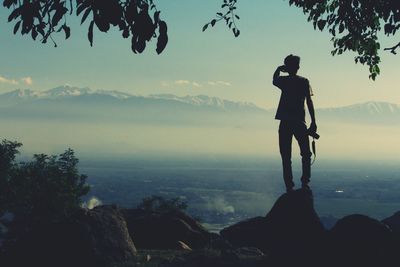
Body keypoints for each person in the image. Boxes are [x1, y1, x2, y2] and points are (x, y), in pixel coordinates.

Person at [272, 54, 317, 192]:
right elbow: (309, 102)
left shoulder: (284, 81)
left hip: (285, 122)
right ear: (297, 66)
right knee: (306, 153)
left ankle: (289, 186)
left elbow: (274, 80)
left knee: (286, 156)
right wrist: (313, 121)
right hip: (299, 122)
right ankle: (305, 182)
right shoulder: (304, 81)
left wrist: (279, 69)